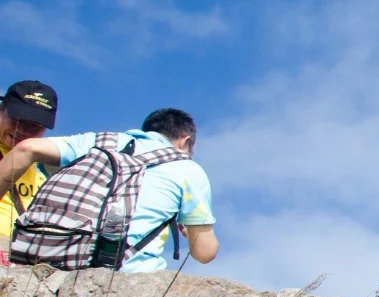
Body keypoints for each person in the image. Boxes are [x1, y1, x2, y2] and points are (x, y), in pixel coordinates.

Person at [0, 107, 218, 271]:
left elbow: (27, 148)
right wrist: (191, 234)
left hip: (62, 261)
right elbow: (204, 253)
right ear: (184, 141)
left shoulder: (101, 141)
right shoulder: (188, 169)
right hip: (131, 276)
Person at [0, 80, 59, 263]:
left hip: (25, 258)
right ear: (1, 110)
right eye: (18, 119)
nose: (22, 130)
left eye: (34, 125)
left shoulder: (46, 170)